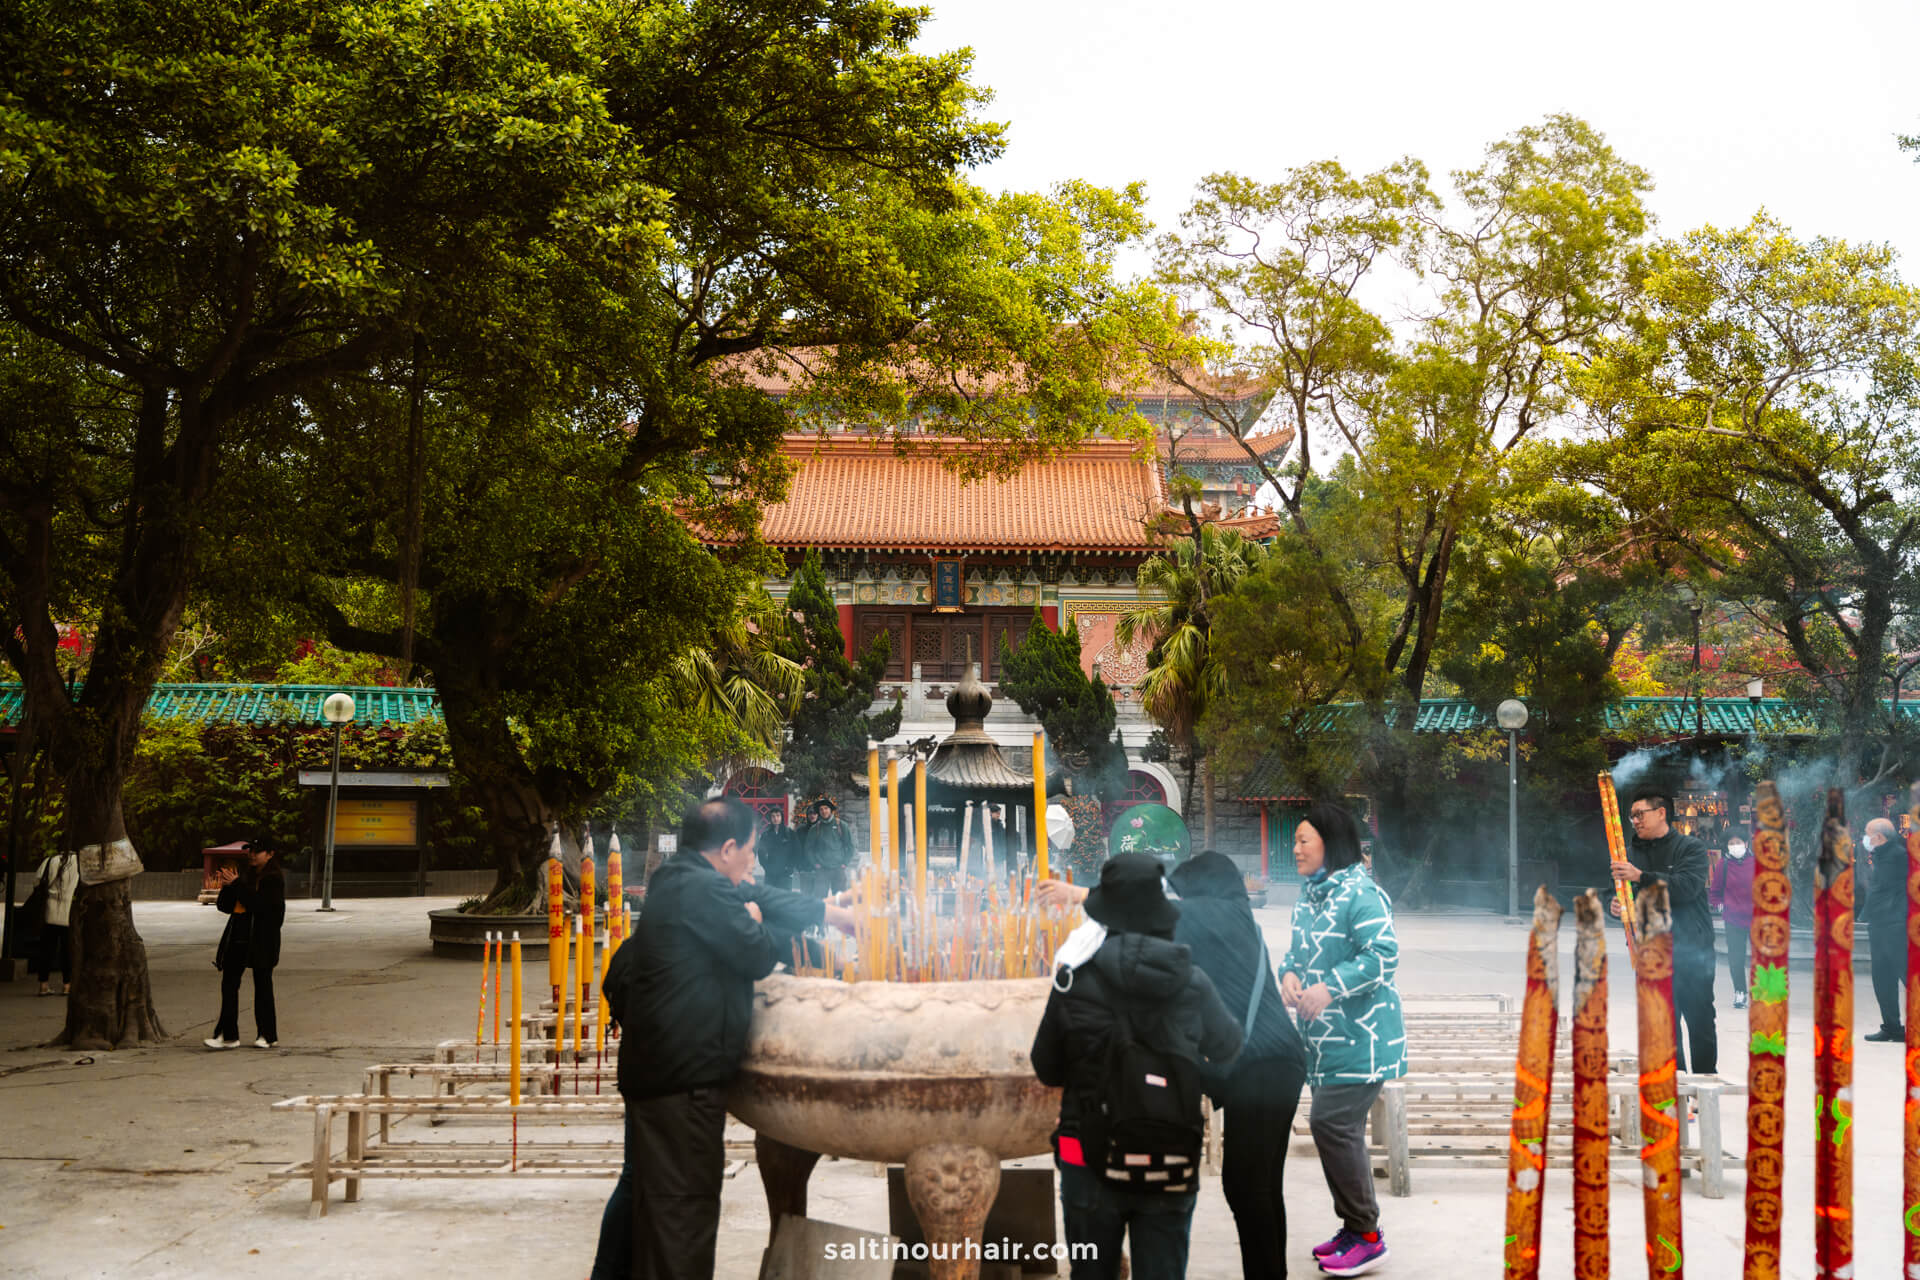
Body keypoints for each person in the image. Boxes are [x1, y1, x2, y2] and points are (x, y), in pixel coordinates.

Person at [593, 796, 859, 1280]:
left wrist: (824, 911)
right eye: (751, 852)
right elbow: (755, 952)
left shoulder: (681, 879)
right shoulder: (702, 891)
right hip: (680, 1081)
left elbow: (758, 897)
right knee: (683, 1214)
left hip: (661, 1073)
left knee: (652, 1199)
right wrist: (761, 926)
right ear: (729, 847)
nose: (754, 862)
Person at [1030, 852, 1243, 1280]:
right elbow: (1228, 1046)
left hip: (1085, 1157)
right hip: (1170, 1156)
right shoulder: (1192, 981)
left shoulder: (1073, 982)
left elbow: (1046, 1067)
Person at [1168, 850, 1309, 1280]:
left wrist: (1074, 893)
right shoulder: (1236, 918)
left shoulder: (1213, 915)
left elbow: (1140, 911)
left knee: (1246, 1187)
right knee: (1263, 1186)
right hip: (1280, 1063)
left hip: (1262, 1066)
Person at [1279, 800, 1405, 1278]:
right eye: (1294, 841)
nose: (1296, 850)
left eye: (1303, 840)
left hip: (1363, 1039)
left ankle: (1368, 1236)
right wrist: (1289, 975)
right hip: (1323, 1043)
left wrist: (1331, 987)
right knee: (1333, 1127)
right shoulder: (1309, 895)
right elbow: (1294, 954)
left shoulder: (1360, 894)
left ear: (1329, 846)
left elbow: (1383, 956)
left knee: (1332, 1124)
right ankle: (1354, 1229)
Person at [1610, 790, 1715, 1073]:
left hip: (1692, 947)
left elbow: (1686, 888)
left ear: (1660, 813)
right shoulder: (1630, 855)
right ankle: (1675, 1081)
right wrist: (1619, 905)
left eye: (1640, 814)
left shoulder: (1690, 848)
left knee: (1700, 1018)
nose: (1635, 821)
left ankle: (1705, 1080)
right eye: (1632, 816)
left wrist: (1641, 877)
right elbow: (1625, 893)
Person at [206, 837, 286, 1049]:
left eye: (257, 851)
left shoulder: (273, 879)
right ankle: (227, 1034)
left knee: (263, 986)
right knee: (229, 984)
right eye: (250, 850)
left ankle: (267, 1035)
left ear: (270, 854)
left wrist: (238, 885)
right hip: (239, 936)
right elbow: (225, 907)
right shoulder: (244, 876)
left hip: (262, 939)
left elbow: (260, 906)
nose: (252, 855)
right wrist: (228, 887)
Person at [1863, 816, 1907, 1042]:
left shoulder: (1896, 856)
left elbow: (1885, 890)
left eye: (1867, 833)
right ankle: (1892, 1027)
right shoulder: (1880, 855)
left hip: (1895, 925)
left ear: (1878, 836)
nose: (1865, 838)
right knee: (1882, 978)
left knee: (1908, 975)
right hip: (1880, 925)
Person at [1709, 833, 1755, 1010]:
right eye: (1731, 843)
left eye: (1738, 842)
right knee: (1736, 958)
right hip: (1733, 919)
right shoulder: (1724, 864)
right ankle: (1740, 992)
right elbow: (1715, 891)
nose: (1735, 846)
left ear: (1746, 843)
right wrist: (1719, 905)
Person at [33, 848, 79, 997]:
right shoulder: (79, 862)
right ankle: (67, 985)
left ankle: (43, 986)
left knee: (46, 950)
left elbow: (37, 881)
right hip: (69, 914)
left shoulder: (49, 861)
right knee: (67, 951)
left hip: (49, 913)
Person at [802, 796, 855, 895]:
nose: (824, 811)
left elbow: (850, 846)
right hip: (822, 870)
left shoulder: (841, 825)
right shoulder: (815, 828)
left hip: (838, 868)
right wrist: (815, 863)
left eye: (826, 808)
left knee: (840, 899)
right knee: (820, 899)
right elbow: (808, 848)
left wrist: (845, 863)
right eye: (821, 809)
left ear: (831, 810)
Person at [757, 807, 797, 892]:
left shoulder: (789, 833)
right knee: (770, 899)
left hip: (785, 874)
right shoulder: (766, 834)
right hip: (771, 874)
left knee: (785, 899)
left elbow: (796, 851)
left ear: (781, 817)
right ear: (770, 818)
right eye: (773, 816)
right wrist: (767, 867)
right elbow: (761, 852)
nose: (776, 818)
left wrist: (790, 867)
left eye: (778, 816)